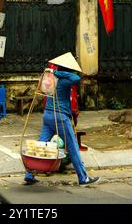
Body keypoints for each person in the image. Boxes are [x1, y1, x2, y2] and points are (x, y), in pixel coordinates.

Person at [24, 52, 100, 186]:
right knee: (73, 147)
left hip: (48, 115)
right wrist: (59, 73)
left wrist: (54, 72)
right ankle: (83, 178)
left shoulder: (50, 77)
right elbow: (76, 78)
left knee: (42, 143)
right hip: (60, 117)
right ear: (67, 69)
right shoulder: (64, 79)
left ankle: (29, 174)